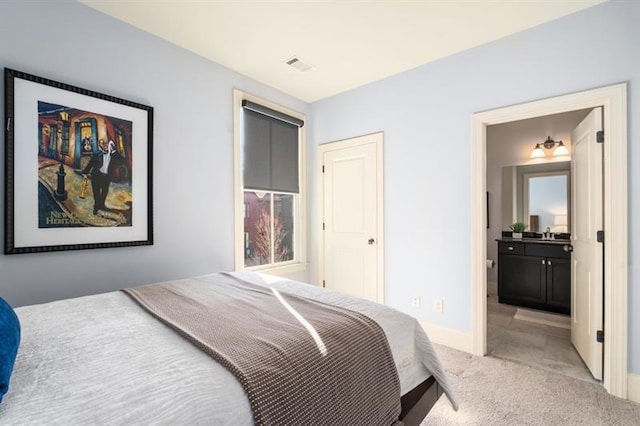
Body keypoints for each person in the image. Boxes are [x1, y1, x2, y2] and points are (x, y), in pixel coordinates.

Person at [82, 139, 123, 215]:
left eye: (107, 145)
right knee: (96, 192)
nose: (106, 146)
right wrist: (85, 172)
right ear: (100, 146)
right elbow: (91, 163)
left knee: (104, 192)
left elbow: (121, 160)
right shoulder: (97, 154)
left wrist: (113, 150)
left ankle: (102, 205)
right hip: (97, 175)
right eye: (104, 145)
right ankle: (96, 207)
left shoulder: (113, 154)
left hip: (106, 176)